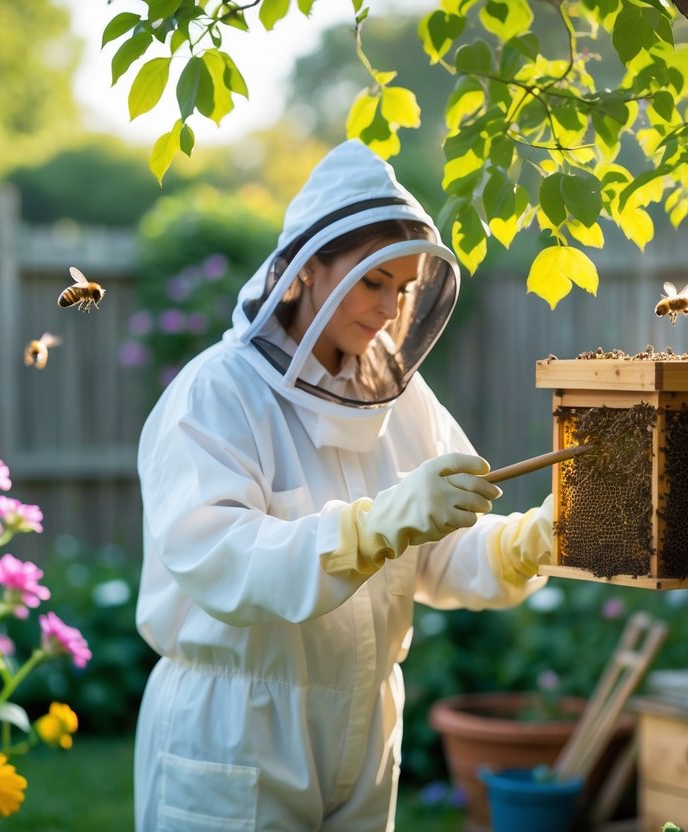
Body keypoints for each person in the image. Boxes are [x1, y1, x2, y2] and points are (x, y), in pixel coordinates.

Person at [134, 139, 556, 831]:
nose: (391, 306)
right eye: (372, 281)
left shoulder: (402, 399)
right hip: (238, 726)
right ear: (305, 269)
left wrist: (528, 540)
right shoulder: (216, 392)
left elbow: (442, 550)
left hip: (366, 721)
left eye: (405, 287)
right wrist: (370, 527)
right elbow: (218, 558)